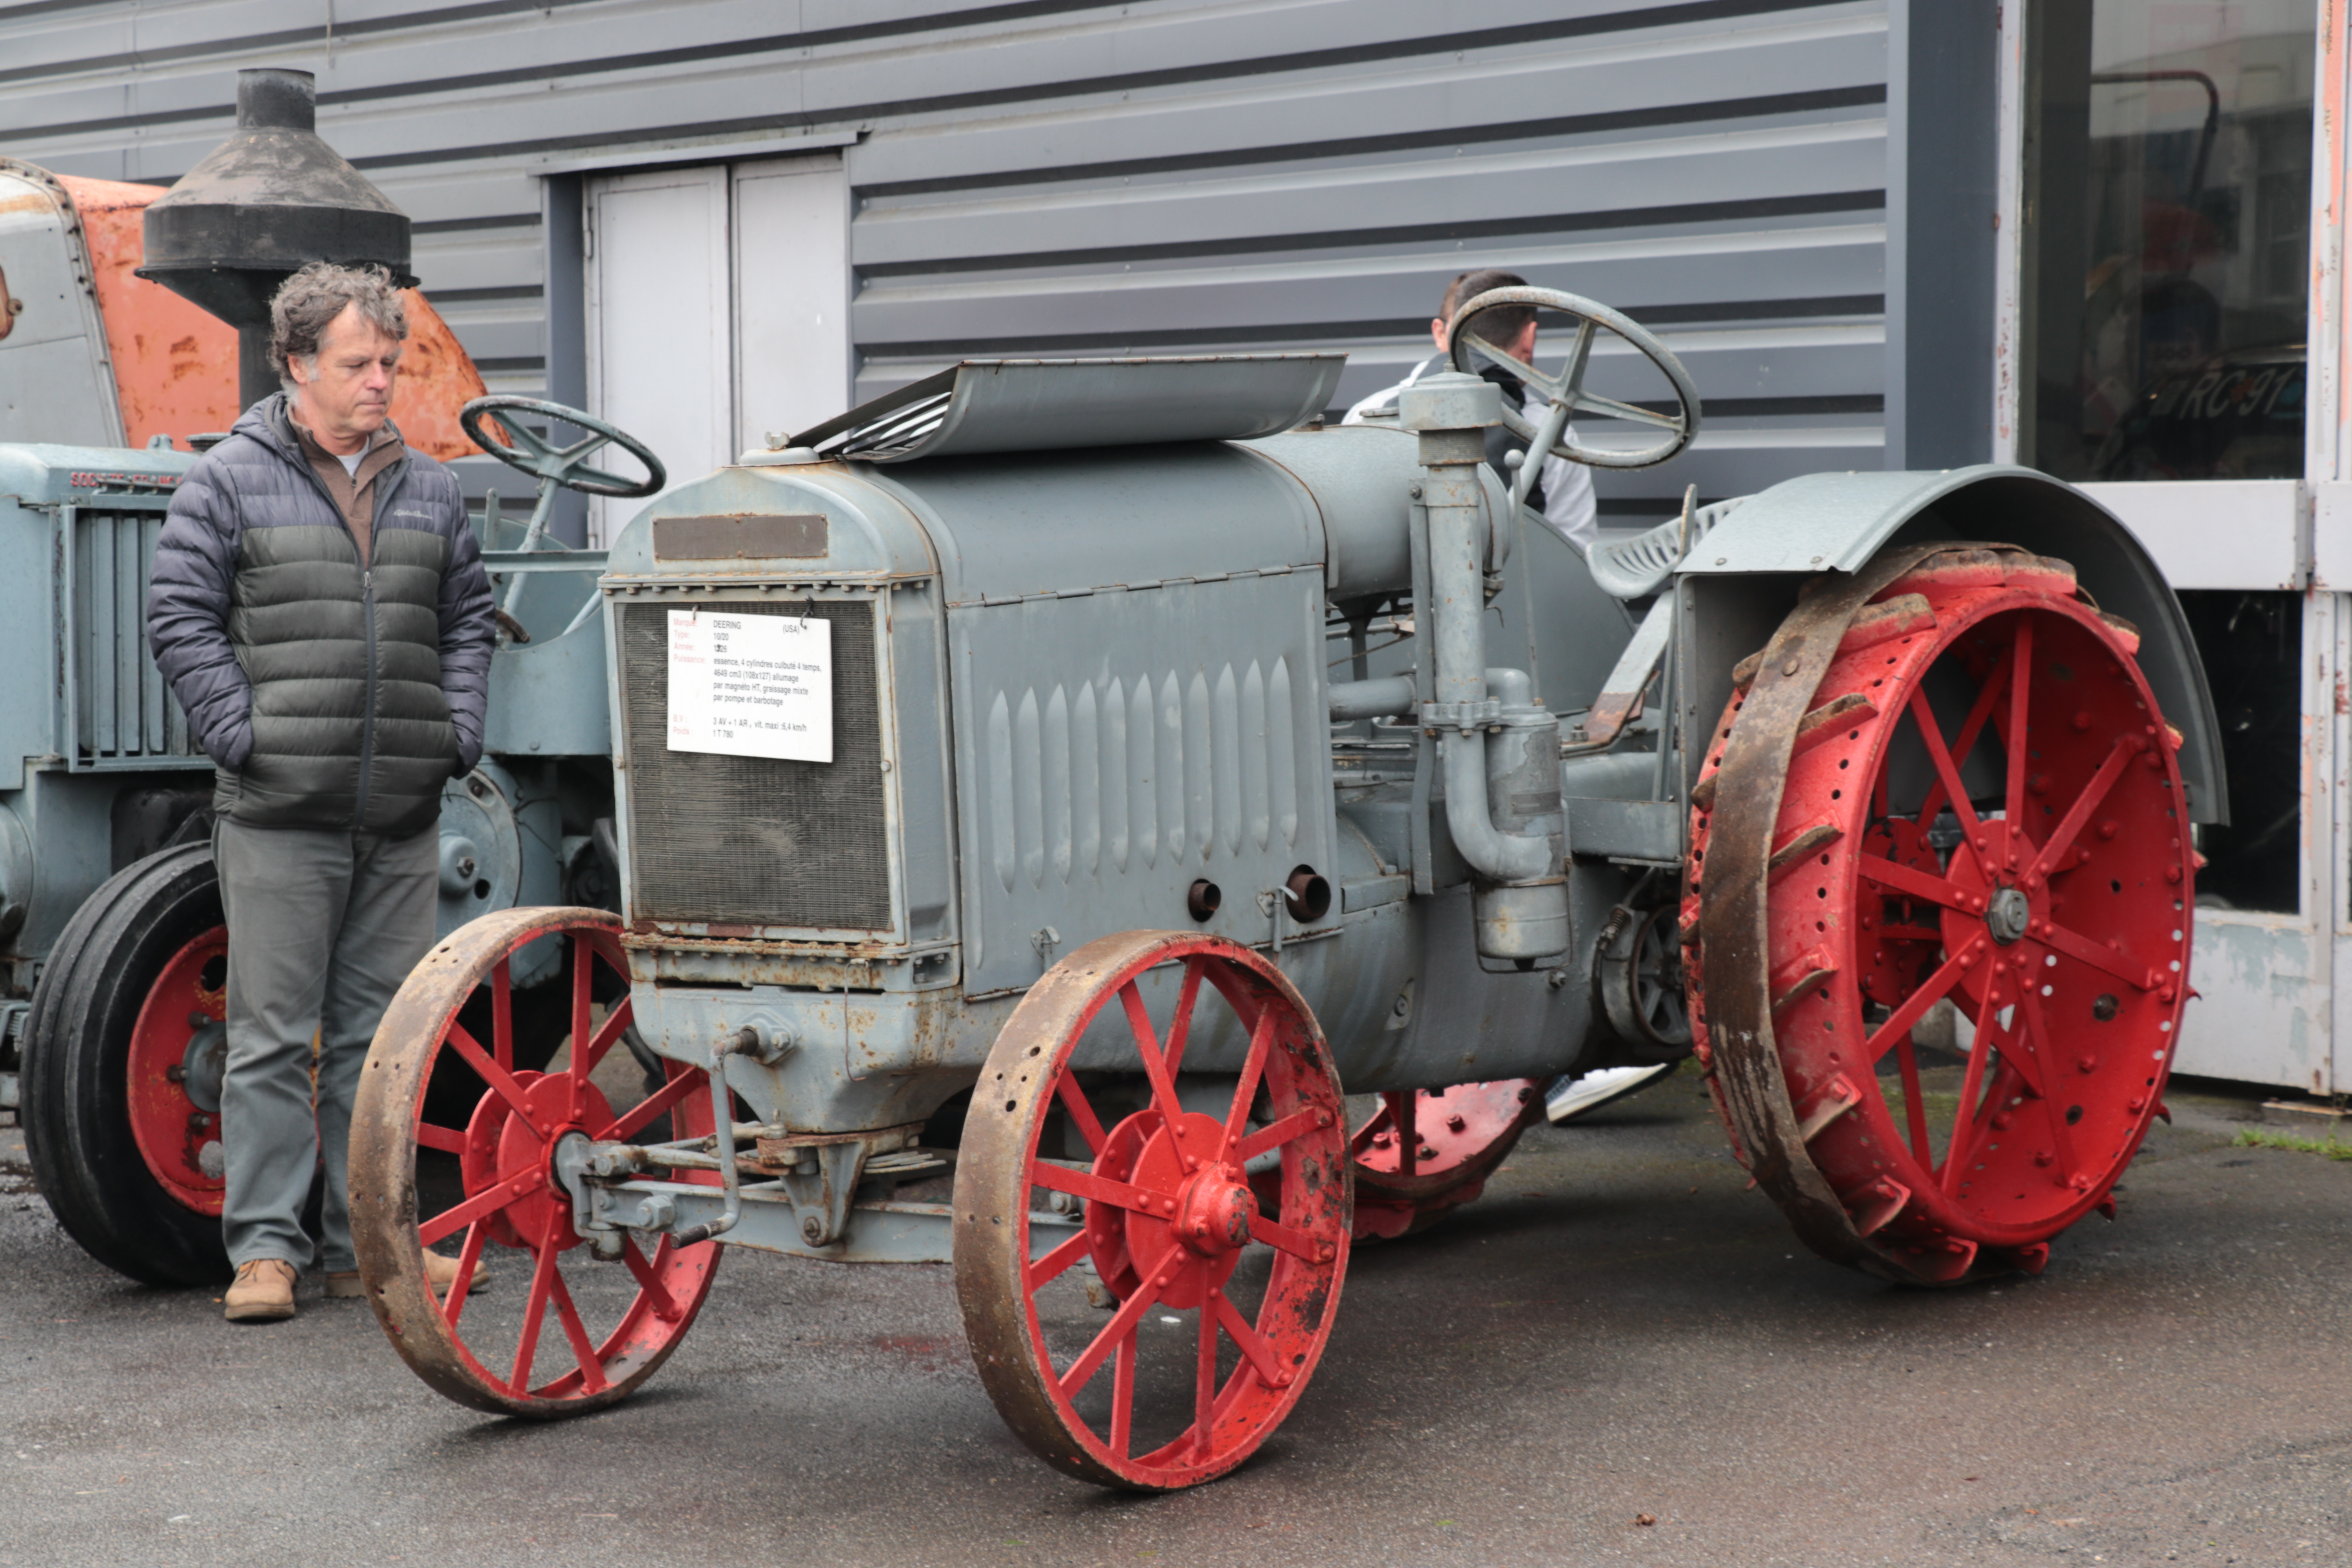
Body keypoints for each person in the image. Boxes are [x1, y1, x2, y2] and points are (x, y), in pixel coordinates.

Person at [147, 262, 496, 1323]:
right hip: (280, 813)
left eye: (390, 362)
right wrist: (242, 736)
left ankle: (366, 1250)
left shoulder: (431, 487)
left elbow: (471, 617)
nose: (381, 381)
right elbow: (179, 615)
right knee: (268, 1036)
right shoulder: (227, 482)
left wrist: (455, 730)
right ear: (296, 365)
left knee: (381, 1044)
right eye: (358, 363)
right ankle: (264, 1254)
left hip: (398, 813)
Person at [1343, 269, 1598, 551]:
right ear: (1529, 337)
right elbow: (1574, 552)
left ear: (1443, 333)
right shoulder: (1551, 431)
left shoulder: (1367, 413)